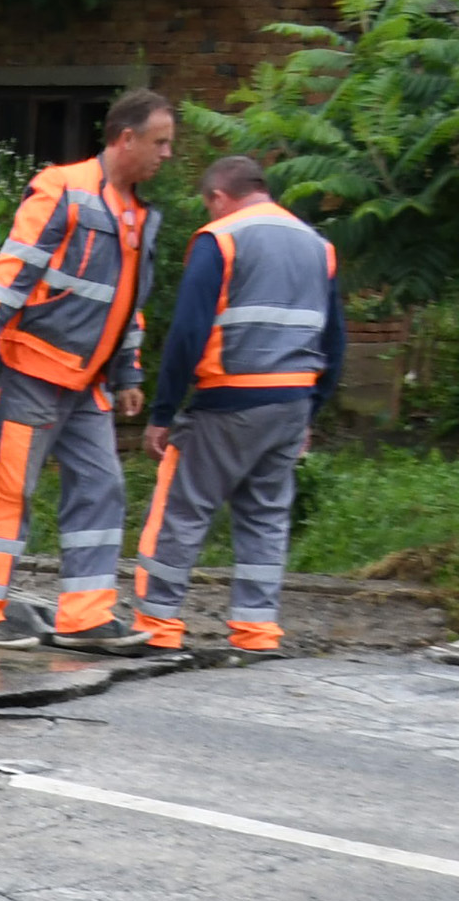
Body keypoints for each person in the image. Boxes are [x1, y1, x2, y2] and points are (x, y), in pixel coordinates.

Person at [0, 90, 177, 650]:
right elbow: (13, 267)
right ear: (125, 139)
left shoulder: (137, 216)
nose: (166, 154)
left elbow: (126, 302)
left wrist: (130, 373)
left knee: (102, 487)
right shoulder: (62, 188)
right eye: (160, 142)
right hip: (31, 372)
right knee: (10, 492)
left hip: (87, 384)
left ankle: (86, 618)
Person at [128, 154, 346, 665]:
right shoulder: (319, 247)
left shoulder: (222, 238)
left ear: (219, 197)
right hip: (291, 402)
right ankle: (256, 630)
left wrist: (163, 412)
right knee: (266, 517)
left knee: (182, 509)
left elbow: (187, 333)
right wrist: (312, 409)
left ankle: (158, 625)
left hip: (229, 400)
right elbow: (336, 341)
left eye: (209, 205)